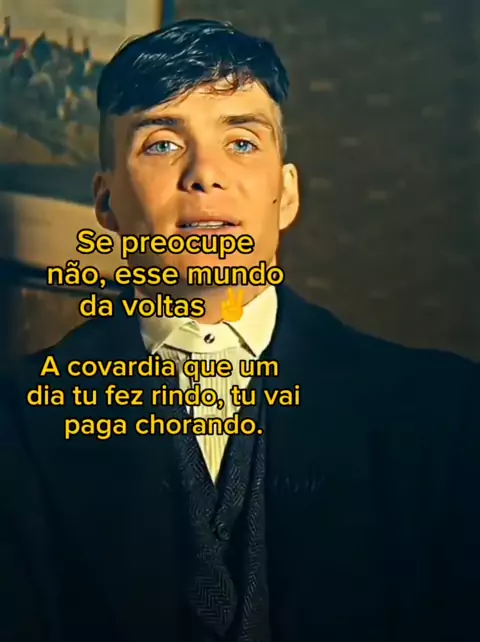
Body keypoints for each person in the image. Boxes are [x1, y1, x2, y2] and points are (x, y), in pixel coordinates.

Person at [0, 19, 479, 642]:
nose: (205, 174)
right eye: (161, 144)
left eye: (243, 142)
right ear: (106, 203)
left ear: (287, 194)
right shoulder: (19, 421)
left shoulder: (443, 413)